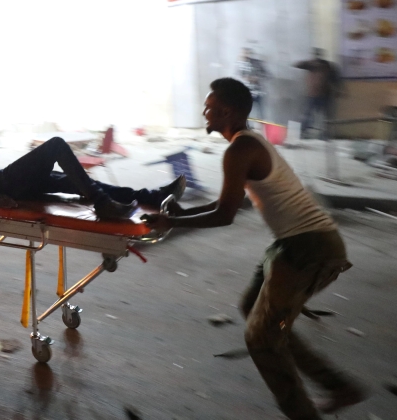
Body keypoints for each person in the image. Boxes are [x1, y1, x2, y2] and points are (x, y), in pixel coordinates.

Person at [143, 78, 364, 420]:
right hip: (298, 243)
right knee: (256, 311)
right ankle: (338, 387)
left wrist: (173, 223)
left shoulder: (239, 150)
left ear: (227, 112)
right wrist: (181, 215)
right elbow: (228, 202)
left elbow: (224, 216)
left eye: (209, 107)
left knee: (261, 337)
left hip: (309, 247)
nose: (204, 112)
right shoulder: (248, 143)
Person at [0, 136, 185, 220]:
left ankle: (152, 196)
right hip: (0, 184)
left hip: (7, 181)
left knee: (77, 180)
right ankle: (100, 202)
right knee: (56, 146)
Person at [295, 49, 341, 138]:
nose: (317, 56)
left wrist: (338, 90)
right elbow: (297, 64)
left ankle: (324, 134)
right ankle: (304, 132)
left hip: (324, 95)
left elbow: (335, 79)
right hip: (314, 95)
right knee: (310, 115)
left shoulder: (327, 65)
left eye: (318, 54)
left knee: (323, 116)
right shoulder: (311, 65)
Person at [237, 46, 270, 120]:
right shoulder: (239, 64)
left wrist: (257, 78)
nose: (245, 55)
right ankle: (246, 129)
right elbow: (237, 77)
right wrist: (245, 79)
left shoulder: (257, 63)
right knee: (244, 113)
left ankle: (261, 129)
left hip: (258, 92)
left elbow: (267, 75)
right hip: (245, 93)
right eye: (243, 53)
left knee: (261, 113)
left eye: (247, 53)